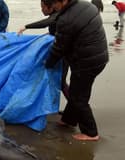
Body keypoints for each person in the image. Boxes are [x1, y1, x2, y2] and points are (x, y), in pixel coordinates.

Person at [45, 0, 109, 141]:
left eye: (55, 3)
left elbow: (59, 48)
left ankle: (91, 132)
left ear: (64, 1)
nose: (54, 7)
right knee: (76, 90)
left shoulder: (66, 19)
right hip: (99, 57)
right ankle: (69, 120)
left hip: (86, 62)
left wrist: (47, 64)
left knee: (79, 97)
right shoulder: (86, 5)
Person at [17, 0, 69, 100]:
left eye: (43, 7)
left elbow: (47, 23)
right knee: (58, 81)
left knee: (61, 82)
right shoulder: (55, 15)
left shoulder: (57, 15)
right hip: (61, 51)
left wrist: (26, 27)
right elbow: (54, 31)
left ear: (51, 7)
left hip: (63, 53)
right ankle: (72, 107)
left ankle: (75, 108)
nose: (41, 10)